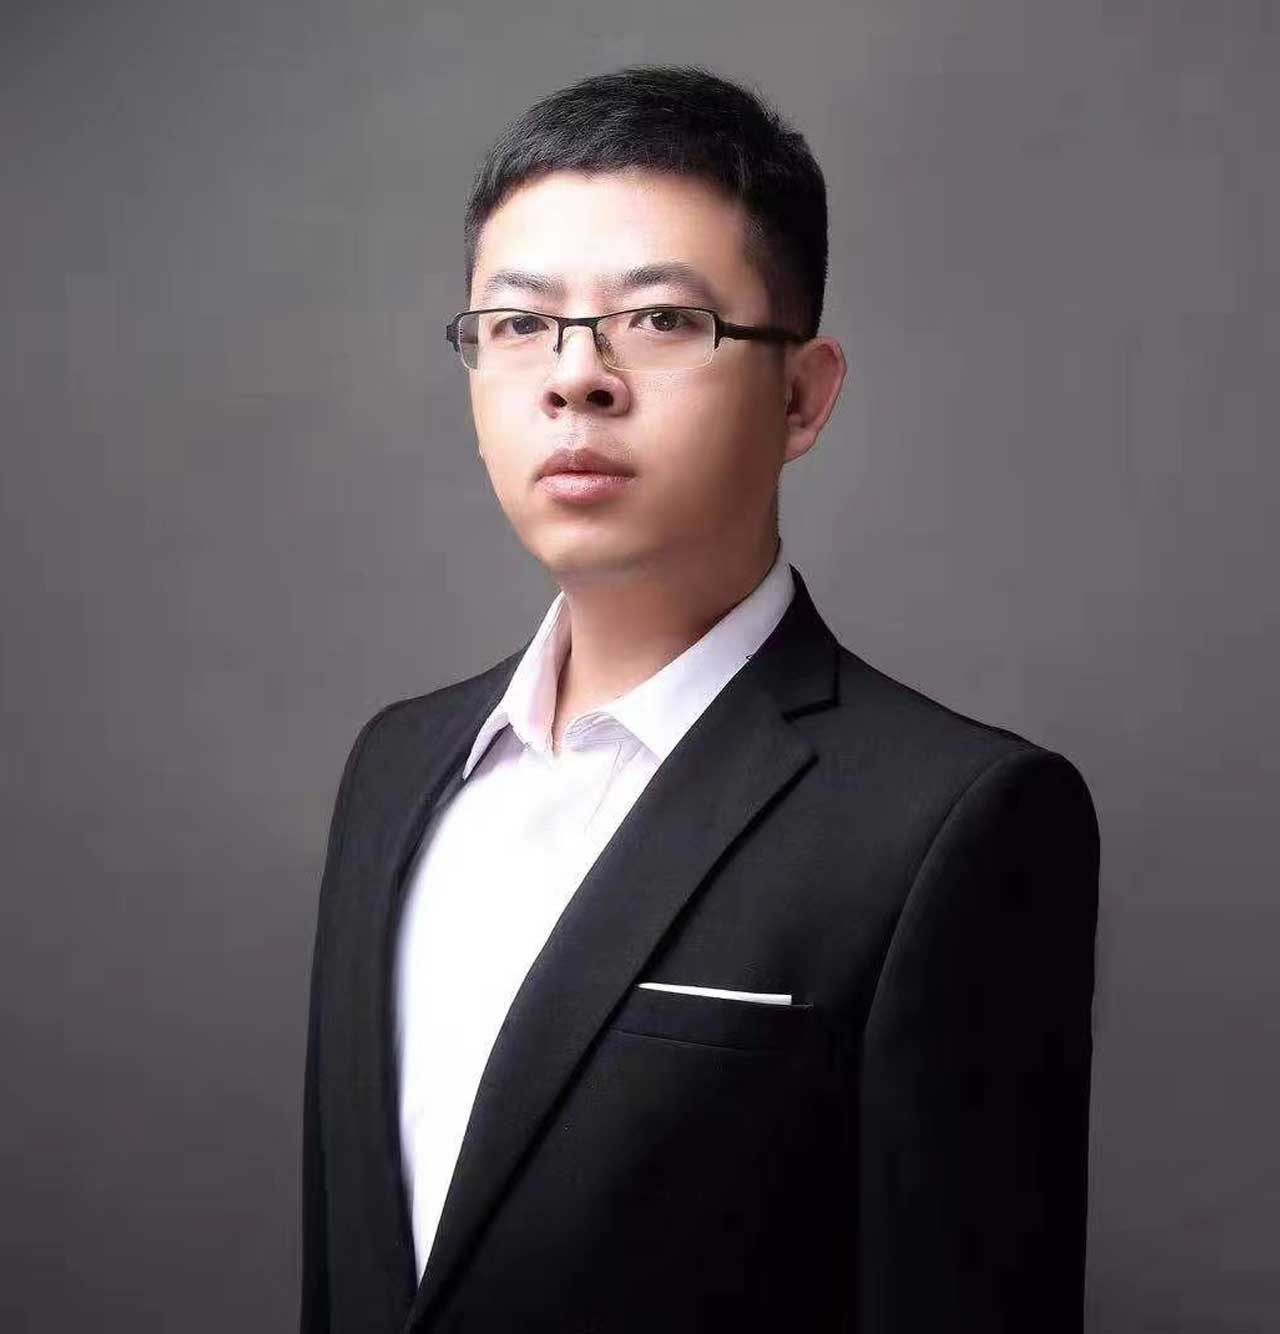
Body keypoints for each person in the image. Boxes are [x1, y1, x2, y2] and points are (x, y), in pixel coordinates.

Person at [300, 65, 1100, 1334]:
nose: (576, 377)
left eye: (662, 318)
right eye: (517, 323)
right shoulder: (394, 767)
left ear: (802, 395)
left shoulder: (950, 819)